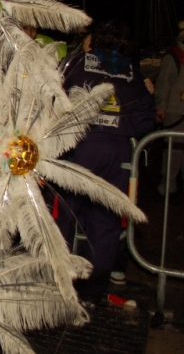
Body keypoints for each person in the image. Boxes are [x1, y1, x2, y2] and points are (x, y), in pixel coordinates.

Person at [54, 20, 155, 305]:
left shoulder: (75, 64)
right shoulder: (131, 72)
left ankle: (58, 282)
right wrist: (119, 124)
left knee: (64, 217)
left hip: (77, 148)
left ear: (95, 40)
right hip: (116, 154)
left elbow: (52, 96)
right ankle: (92, 290)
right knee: (106, 222)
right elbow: (146, 119)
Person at [155, 20, 184, 194]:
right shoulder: (174, 55)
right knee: (174, 152)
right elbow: (164, 83)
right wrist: (161, 106)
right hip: (175, 111)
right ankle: (167, 188)